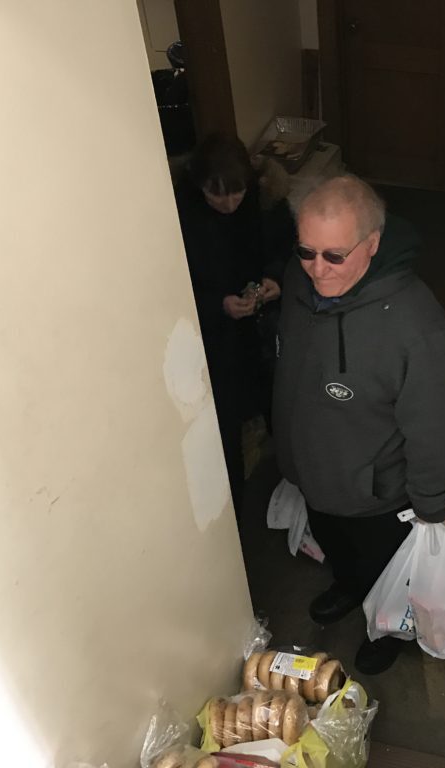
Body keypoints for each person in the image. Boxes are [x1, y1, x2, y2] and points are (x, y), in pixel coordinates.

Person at [273, 175, 445, 674]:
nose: (317, 270)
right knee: (339, 551)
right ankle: (348, 586)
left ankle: (389, 628)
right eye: (306, 251)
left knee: (388, 571)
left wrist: (430, 503)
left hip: (380, 494)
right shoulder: (298, 285)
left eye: (334, 256)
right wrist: (291, 460)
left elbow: (437, 424)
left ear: (373, 244)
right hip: (317, 477)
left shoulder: (414, 326)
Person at [176, 133, 295, 513]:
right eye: (216, 193)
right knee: (224, 421)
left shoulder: (267, 202)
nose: (227, 203)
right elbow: (174, 283)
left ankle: (301, 484)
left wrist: (275, 279)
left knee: (283, 405)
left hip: (263, 329)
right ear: (198, 185)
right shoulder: (180, 214)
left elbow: (287, 250)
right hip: (216, 337)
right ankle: (233, 515)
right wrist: (218, 305)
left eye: (235, 193)